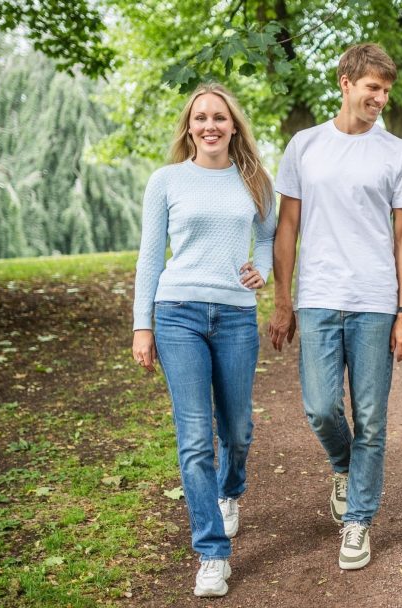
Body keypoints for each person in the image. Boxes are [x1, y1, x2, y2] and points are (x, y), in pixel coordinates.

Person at [267, 43, 402, 571]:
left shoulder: (396, 153)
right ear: (345, 82)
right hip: (317, 297)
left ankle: (358, 520)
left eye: (386, 90)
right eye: (371, 87)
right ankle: (344, 464)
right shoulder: (305, 146)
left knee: (373, 418)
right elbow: (286, 228)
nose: (379, 98)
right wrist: (282, 299)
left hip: (376, 303)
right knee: (320, 406)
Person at [131, 83, 275, 597]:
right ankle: (212, 553)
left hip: (236, 316)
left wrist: (262, 270)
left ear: (234, 125)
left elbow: (268, 237)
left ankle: (229, 492)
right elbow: (151, 255)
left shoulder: (255, 179)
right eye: (200, 118)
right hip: (177, 315)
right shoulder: (166, 180)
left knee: (236, 429)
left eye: (219, 117)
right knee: (195, 439)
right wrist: (141, 324)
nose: (210, 125)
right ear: (188, 127)